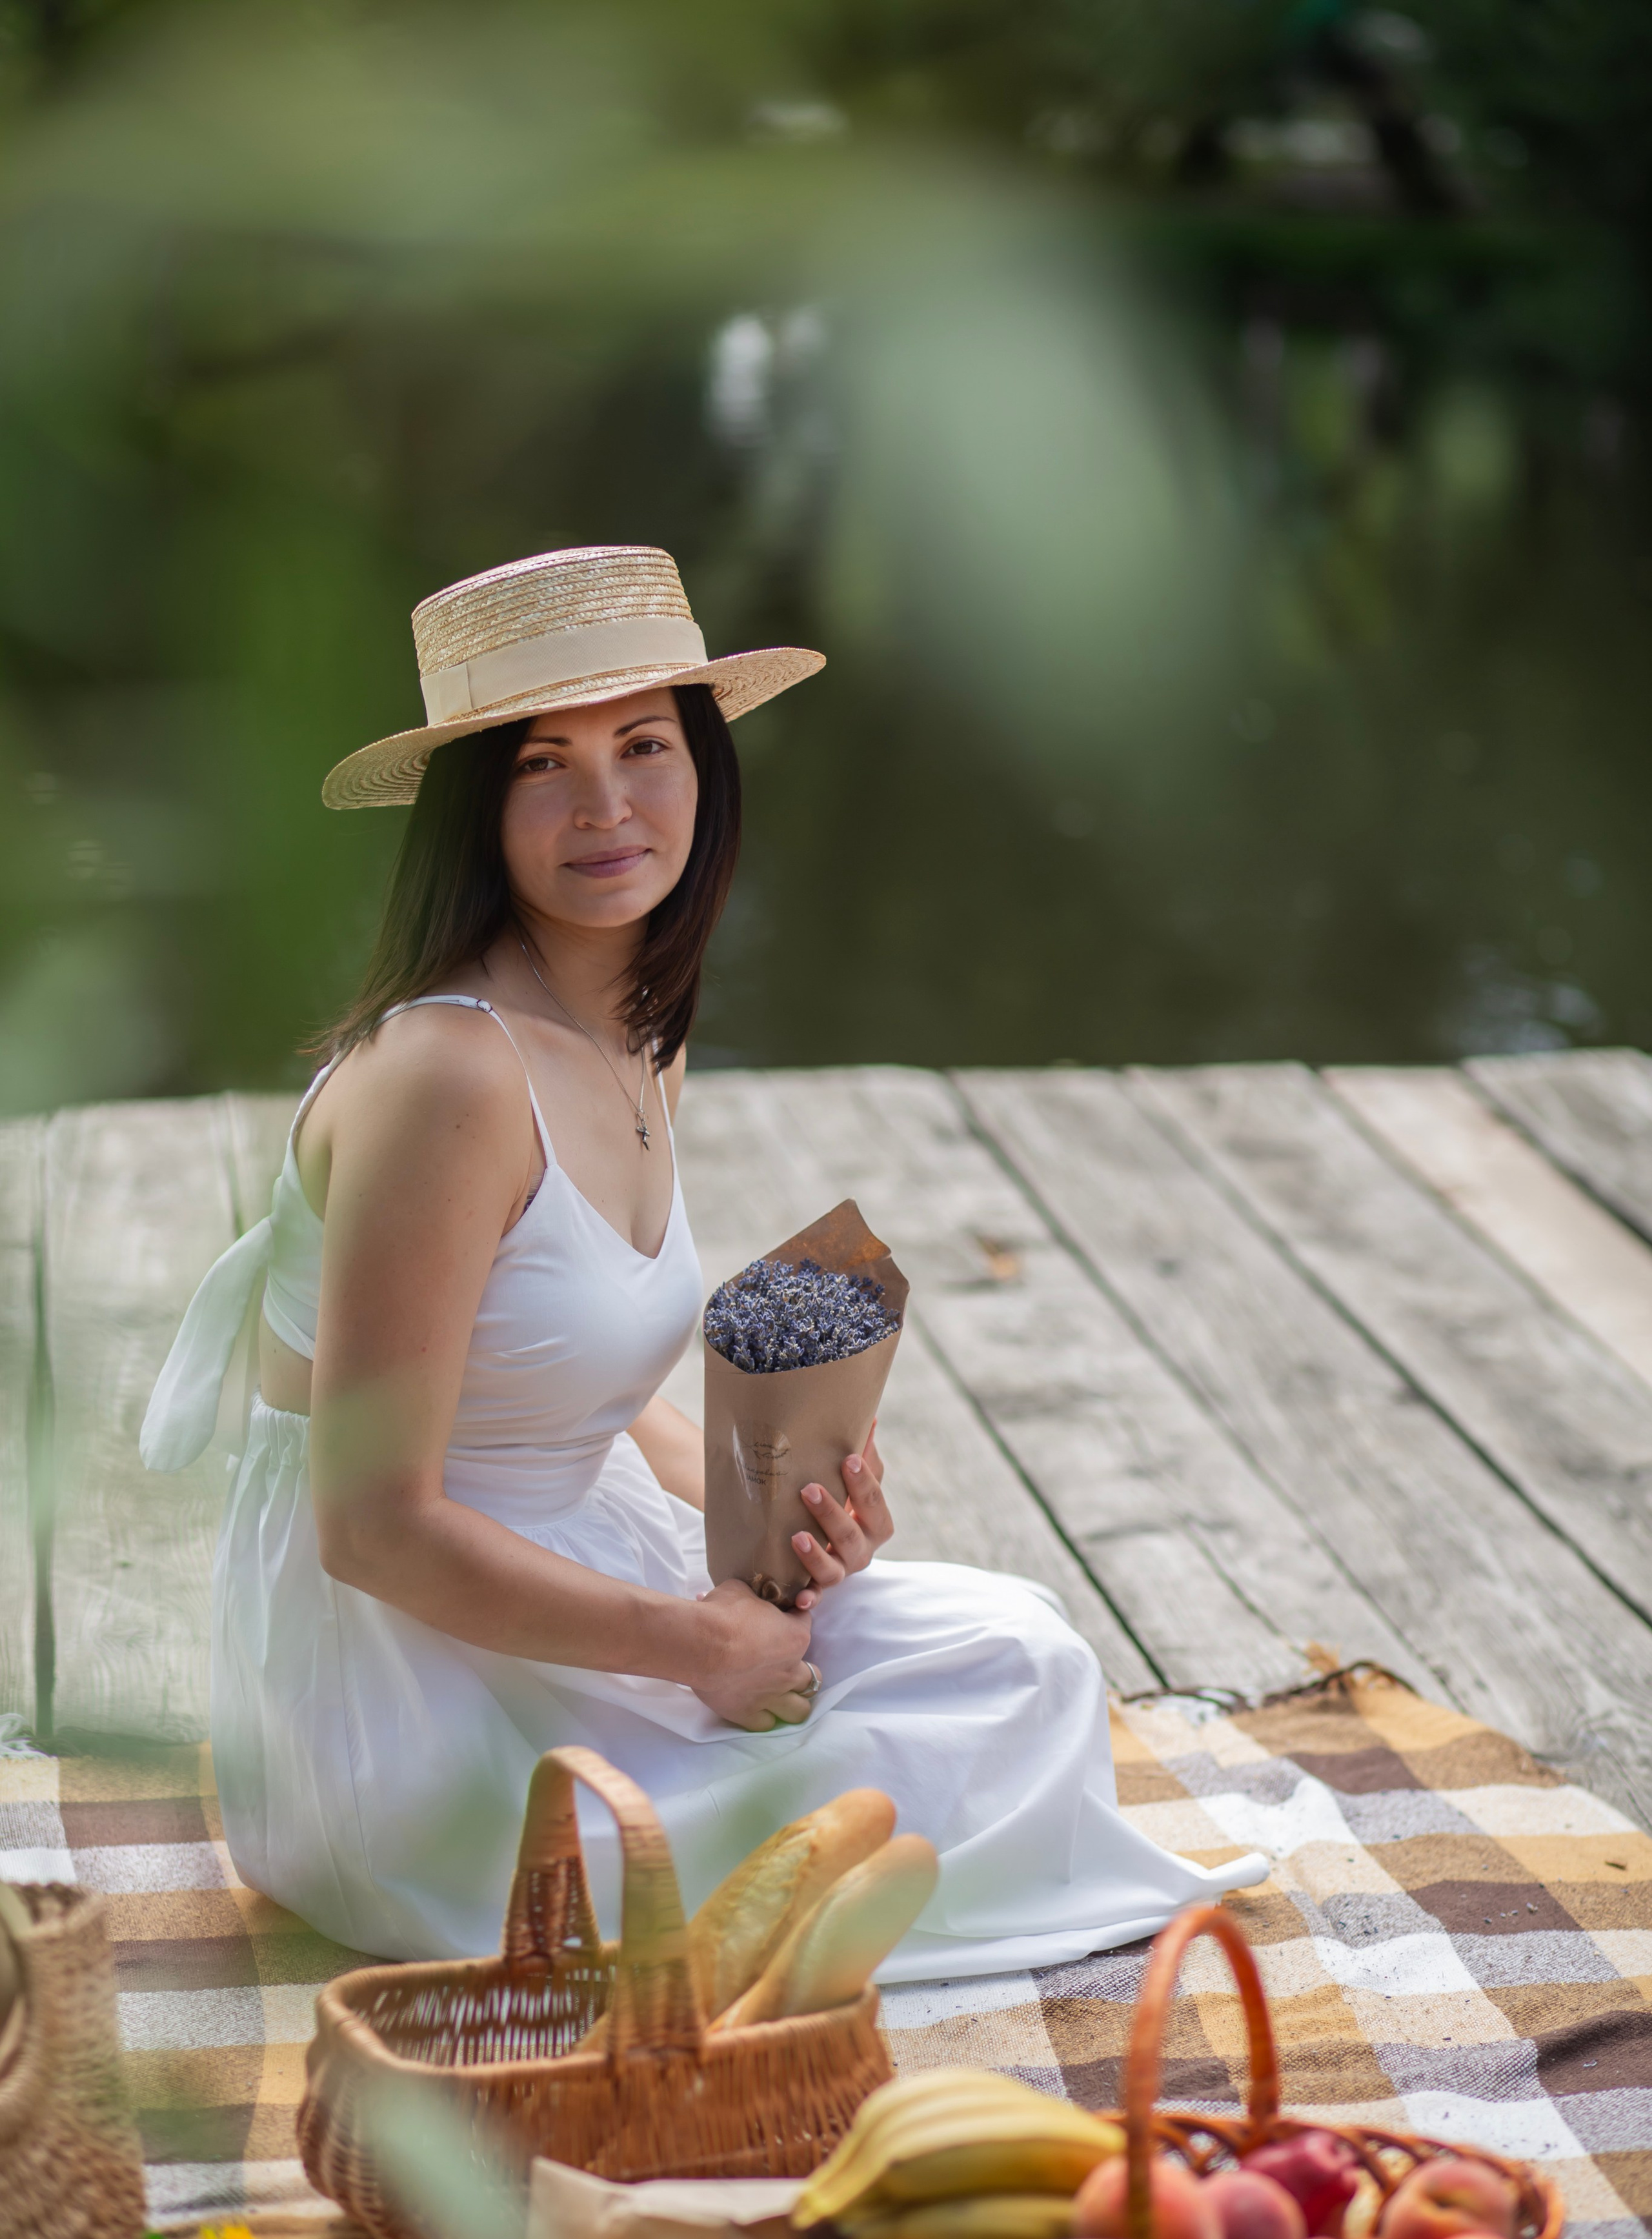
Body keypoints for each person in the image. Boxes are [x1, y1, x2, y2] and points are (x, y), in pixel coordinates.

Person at [143, 544, 1265, 1976]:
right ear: (474, 808)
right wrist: (692, 1644)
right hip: (402, 1669)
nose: (606, 804)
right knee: (864, 1778)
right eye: (543, 763)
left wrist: (779, 1518)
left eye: (643, 745)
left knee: (1021, 1653)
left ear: (705, 766)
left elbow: (572, 1396)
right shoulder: (446, 1077)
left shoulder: (628, 1030)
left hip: (566, 1542)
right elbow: (369, 1522)